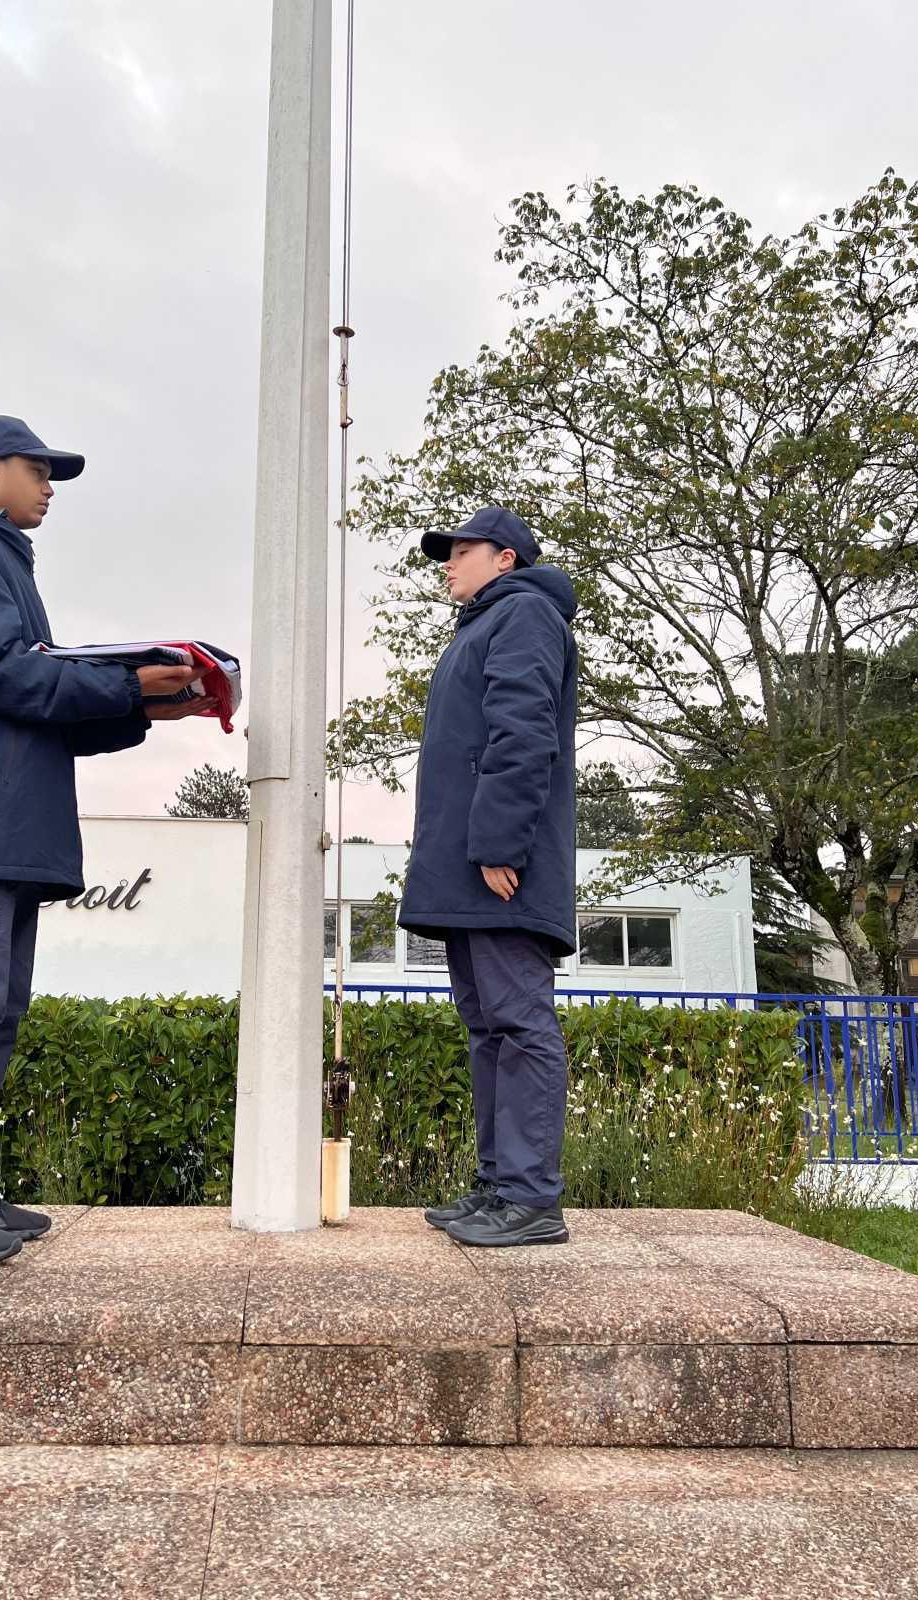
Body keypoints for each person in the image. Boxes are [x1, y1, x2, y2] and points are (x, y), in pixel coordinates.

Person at [0, 415, 217, 1268]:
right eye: (39, 469)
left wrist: (144, 703)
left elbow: (28, 695)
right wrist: (123, 682)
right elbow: (1, 672)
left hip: (4, 819)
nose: (50, 487)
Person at [399, 506, 578, 1248]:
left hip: (501, 864)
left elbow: (523, 731)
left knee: (519, 1022)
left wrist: (500, 843)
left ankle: (531, 1199)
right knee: (487, 1026)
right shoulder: (480, 626)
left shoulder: (525, 614)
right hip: (470, 864)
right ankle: (499, 1186)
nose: (448, 562)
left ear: (505, 558)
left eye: (460, 550)